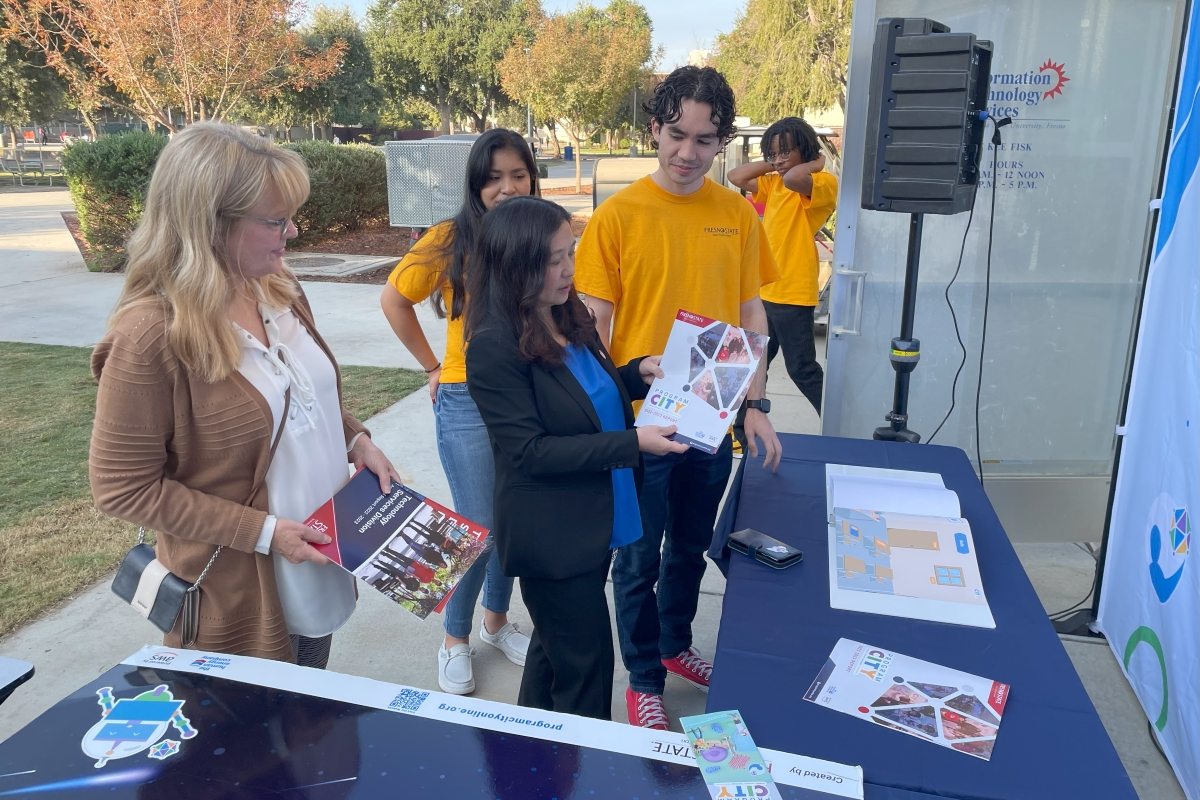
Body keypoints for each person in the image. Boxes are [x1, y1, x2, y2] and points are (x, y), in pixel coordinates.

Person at [89, 122, 401, 668]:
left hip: (318, 569)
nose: (295, 231)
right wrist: (263, 533)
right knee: (260, 748)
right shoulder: (149, 337)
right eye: (276, 220)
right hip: (239, 596)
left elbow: (300, 393)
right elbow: (121, 489)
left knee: (312, 724)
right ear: (210, 223)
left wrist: (357, 441)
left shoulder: (279, 288)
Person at [574, 65, 783, 729]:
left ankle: (673, 645)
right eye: (676, 135)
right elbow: (593, 330)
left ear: (723, 143)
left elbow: (753, 316)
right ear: (655, 129)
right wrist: (602, 423)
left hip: (713, 421)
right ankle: (642, 679)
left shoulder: (736, 216)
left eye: (706, 140)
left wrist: (755, 403)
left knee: (689, 547)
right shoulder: (617, 217)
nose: (688, 153)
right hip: (641, 425)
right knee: (637, 558)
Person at [465, 196, 687, 719]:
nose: (568, 270)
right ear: (515, 264)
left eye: (571, 253)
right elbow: (530, 452)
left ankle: (525, 747)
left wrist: (636, 373)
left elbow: (590, 396)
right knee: (586, 669)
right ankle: (585, 765)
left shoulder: (568, 313)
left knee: (555, 646)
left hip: (597, 514)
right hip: (553, 534)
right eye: (552, 260)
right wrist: (635, 444)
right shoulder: (493, 345)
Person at [380, 128, 538, 695]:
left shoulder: (539, 233)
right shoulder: (451, 238)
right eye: (493, 177)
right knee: (477, 526)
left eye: (517, 174)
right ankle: (454, 637)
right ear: (475, 184)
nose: (507, 187)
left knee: (511, 519)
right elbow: (394, 298)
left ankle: (496, 623)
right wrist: (431, 366)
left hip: (528, 396)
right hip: (468, 399)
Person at [728, 116, 837, 413]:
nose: (779, 159)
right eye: (774, 153)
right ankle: (742, 429)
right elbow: (735, 176)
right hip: (765, 289)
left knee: (801, 369)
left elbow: (793, 179)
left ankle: (839, 425)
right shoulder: (773, 180)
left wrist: (816, 164)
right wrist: (773, 163)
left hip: (792, 291)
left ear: (806, 149)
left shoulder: (822, 182)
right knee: (752, 366)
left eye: (786, 151)